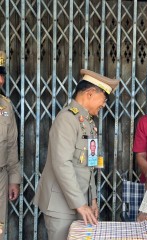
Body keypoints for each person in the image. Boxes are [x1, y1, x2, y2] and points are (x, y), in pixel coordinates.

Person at [33, 69, 119, 240]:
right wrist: (80, 204)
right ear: (90, 93)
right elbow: (62, 164)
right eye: (104, 98)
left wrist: (92, 199)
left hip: (80, 204)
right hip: (61, 206)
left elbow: (89, 166)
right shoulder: (67, 119)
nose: (104, 104)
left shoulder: (88, 123)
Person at [0, 51, 21, 239]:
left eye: (1, 76)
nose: (0, 81)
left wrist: (14, 178)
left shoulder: (6, 107)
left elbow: (12, 145)